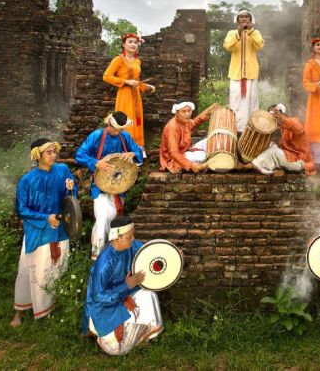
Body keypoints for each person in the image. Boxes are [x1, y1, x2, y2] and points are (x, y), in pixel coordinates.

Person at [11, 138, 76, 327]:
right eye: (48, 152)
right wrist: (46, 218)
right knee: (28, 272)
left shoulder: (62, 170)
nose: (53, 155)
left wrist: (72, 189)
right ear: (37, 156)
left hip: (60, 231)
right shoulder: (27, 180)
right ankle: (19, 311)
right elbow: (21, 210)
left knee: (55, 271)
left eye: (54, 151)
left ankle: (49, 308)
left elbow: (70, 201)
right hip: (37, 234)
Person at [83, 215, 163, 355]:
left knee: (149, 296)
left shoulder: (129, 246)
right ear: (116, 237)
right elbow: (98, 296)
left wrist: (171, 254)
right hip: (102, 309)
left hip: (123, 295)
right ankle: (96, 331)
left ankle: (140, 335)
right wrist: (126, 285)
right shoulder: (105, 262)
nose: (133, 239)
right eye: (129, 236)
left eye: (133, 235)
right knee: (116, 350)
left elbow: (148, 251)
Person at [76, 111, 144, 260]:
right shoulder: (97, 136)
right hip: (100, 188)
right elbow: (79, 154)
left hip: (120, 187)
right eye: (115, 129)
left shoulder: (125, 137)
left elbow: (140, 153)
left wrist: (132, 154)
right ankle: (98, 254)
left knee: (113, 219)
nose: (117, 132)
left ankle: (110, 253)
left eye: (120, 129)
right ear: (109, 124)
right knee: (102, 219)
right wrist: (95, 162)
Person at [102, 32, 156, 149]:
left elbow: (136, 82)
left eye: (135, 42)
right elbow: (106, 76)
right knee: (125, 120)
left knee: (136, 121)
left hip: (136, 96)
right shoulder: (118, 59)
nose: (133, 45)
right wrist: (126, 81)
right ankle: (124, 150)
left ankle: (136, 150)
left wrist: (146, 87)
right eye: (130, 42)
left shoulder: (138, 62)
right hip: (124, 96)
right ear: (123, 44)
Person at [224, 9, 264, 132]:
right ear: (237, 20)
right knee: (236, 102)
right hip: (236, 75)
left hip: (251, 74)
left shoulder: (255, 32)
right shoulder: (232, 33)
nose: (244, 19)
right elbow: (227, 46)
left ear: (250, 20)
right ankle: (236, 128)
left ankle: (251, 128)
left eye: (246, 17)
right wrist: (239, 34)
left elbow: (260, 45)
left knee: (251, 102)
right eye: (241, 17)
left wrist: (250, 32)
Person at [250, 104, 316, 176]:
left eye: (276, 115)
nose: (273, 119)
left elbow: (299, 129)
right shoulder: (280, 129)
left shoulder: (294, 121)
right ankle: (257, 166)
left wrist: (282, 119)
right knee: (271, 146)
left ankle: (248, 167)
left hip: (300, 161)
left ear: (282, 114)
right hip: (290, 159)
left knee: (273, 152)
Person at [159, 101, 219, 174]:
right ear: (177, 113)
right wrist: (190, 165)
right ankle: (206, 162)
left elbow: (195, 122)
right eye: (183, 111)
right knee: (202, 156)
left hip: (184, 152)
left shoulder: (185, 121)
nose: (187, 114)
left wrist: (208, 110)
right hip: (173, 159)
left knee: (211, 140)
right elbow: (173, 153)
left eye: (189, 111)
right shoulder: (172, 127)